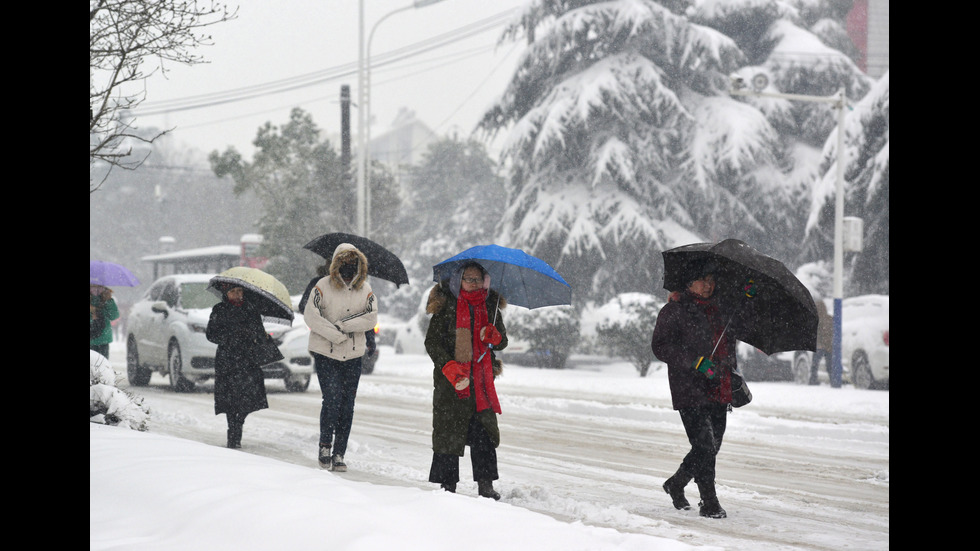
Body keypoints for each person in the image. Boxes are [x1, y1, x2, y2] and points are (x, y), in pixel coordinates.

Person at [650, 263, 758, 519]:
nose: (708, 285)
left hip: (718, 385)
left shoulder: (721, 308)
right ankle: (709, 501)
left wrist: (748, 298)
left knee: (711, 446)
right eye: (701, 280)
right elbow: (661, 346)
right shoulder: (674, 311)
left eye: (710, 280)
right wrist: (695, 361)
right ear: (688, 283)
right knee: (705, 445)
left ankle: (677, 482)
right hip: (689, 388)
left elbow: (744, 323)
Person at [424, 261, 508, 500]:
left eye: (478, 279)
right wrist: (448, 366)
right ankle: (448, 485)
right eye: (468, 279)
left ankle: (486, 485)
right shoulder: (446, 304)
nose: (474, 283)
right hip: (452, 383)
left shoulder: (490, 305)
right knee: (449, 432)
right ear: (458, 279)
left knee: (484, 433)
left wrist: (495, 336)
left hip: (480, 382)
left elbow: (502, 343)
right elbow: (432, 342)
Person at [303, 243, 378, 472]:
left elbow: (371, 318)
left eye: (352, 264)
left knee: (347, 405)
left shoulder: (365, 289)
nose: (348, 268)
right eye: (343, 263)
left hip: (353, 356)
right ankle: (325, 446)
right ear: (335, 264)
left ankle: (339, 452)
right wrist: (335, 335)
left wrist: (345, 325)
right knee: (332, 399)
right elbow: (311, 316)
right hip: (326, 354)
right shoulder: (322, 286)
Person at [206, 284, 281, 449]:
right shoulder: (220, 309)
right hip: (228, 360)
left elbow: (259, 332)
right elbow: (211, 334)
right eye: (233, 291)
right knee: (231, 398)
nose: (237, 294)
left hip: (248, 360)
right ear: (226, 293)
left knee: (248, 397)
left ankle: (238, 423)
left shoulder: (251, 309)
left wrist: (256, 337)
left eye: (239, 291)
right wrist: (230, 338)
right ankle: (233, 433)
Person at [298, 263, 377, 364]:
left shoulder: (359, 287)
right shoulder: (319, 284)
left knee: (338, 378)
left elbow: (366, 315)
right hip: (330, 346)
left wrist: (370, 340)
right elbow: (305, 307)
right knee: (333, 378)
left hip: (344, 348)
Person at [90, 285, 120, 359]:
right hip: (99, 338)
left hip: (103, 339)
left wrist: (109, 300)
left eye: (99, 288)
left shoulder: (106, 297)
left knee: (102, 367)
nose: (96, 290)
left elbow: (114, 316)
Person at [810, 299, 834, 385]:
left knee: (815, 365)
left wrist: (820, 343)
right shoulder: (830, 318)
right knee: (830, 365)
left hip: (820, 345)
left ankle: (813, 380)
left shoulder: (816, 319)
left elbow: (817, 333)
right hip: (829, 345)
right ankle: (833, 381)